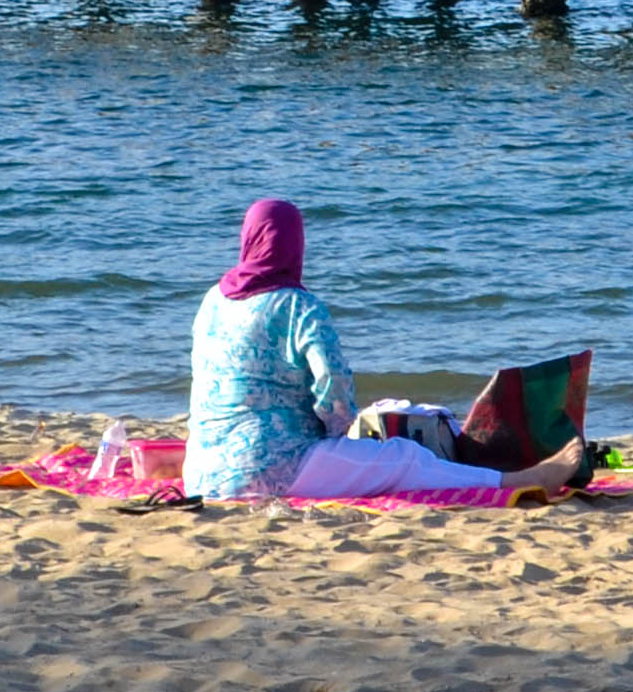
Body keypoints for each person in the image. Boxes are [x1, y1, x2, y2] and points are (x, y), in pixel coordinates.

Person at [183, 199, 589, 503]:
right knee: (404, 459)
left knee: (390, 456)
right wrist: (338, 431)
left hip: (201, 472)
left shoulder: (212, 301)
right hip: (273, 468)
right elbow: (333, 383)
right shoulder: (297, 306)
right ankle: (521, 479)